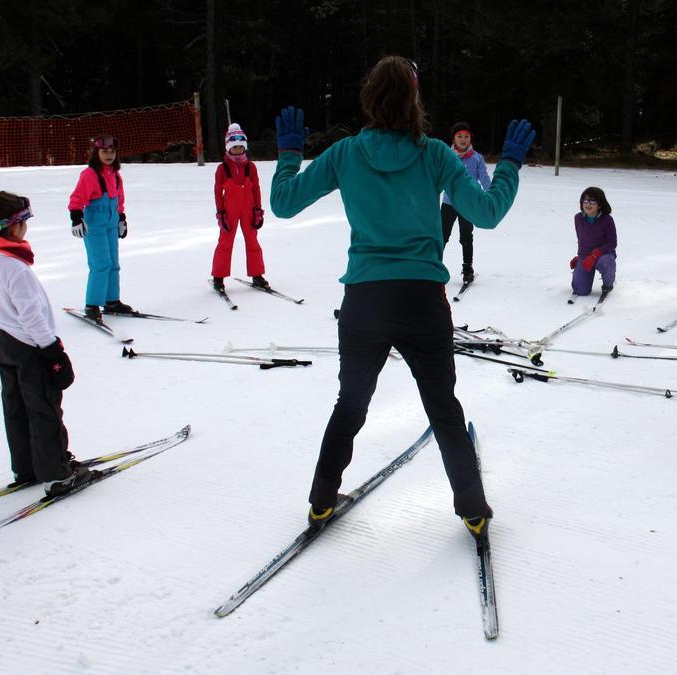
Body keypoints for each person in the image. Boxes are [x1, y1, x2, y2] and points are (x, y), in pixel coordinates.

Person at [268, 56, 535, 540]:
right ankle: (472, 508)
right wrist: (510, 165)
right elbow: (488, 212)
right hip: (421, 301)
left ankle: (322, 500)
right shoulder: (434, 153)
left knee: (350, 405)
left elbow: (284, 202)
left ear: (369, 98)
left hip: (364, 302)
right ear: (415, 101)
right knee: (442, 409)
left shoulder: (347, 153)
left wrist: (289, 152)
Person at [0, 187, 97, 496]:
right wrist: (53, 351)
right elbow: (32, 316)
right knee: (44, 408)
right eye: (24, 221)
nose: (26, 227)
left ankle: (27, 466)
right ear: (12, 226)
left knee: (16, 407)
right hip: (31, 347)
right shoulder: (14, 268)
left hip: (3, 342)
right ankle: (56, 473)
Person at [68, 135, 132, 320]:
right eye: (104, 151)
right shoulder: (90, 174)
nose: (109, 155)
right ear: (96, 153)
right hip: (95, 225)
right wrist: (76, 217)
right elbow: (77, 197)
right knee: (100, 264)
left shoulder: (116, 175)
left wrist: (121, 218)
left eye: (112, 151)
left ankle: (112, 301)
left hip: (111, 224)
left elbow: (119, 199)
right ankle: (92, 304)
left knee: (113, 264)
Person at [212, 123, 266, 291]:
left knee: (252, 241)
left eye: (240, 147)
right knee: (225, 242)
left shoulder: (251, 167)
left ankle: (257, 274)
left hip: (249, 210)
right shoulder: (222, 168)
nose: (237, 150)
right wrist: (221, 214)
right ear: (228, 147)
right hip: (230, 211)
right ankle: (218, 277)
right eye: (234, 147)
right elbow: (217, 192)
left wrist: (258, 210)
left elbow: (256, 189)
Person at [440, 121, 491, 283]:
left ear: (470, 139)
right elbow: (438, 179)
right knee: (441, 236)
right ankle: (434, 266)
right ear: (453, 138)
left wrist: (491, 196)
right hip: (448, 204)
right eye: (459, 136)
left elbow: (484, 178)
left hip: (468, 205)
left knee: (466, 237)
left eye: (466, 136)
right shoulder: (446, 156)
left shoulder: (477, 158)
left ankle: (467, 267)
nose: (463, 139)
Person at [570, 187, 617, 297]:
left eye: (592, 201)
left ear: (599, 204)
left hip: (603, 255)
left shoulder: (607, 220)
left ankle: (608, 284)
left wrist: (595, 254)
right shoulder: (578, 218)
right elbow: (581, 240)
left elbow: (612, 243)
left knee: (607, 262)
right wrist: (580, 258)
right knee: (580, 290)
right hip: (586, 256)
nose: (588, 204)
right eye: (585, 200)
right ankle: (580, 267)